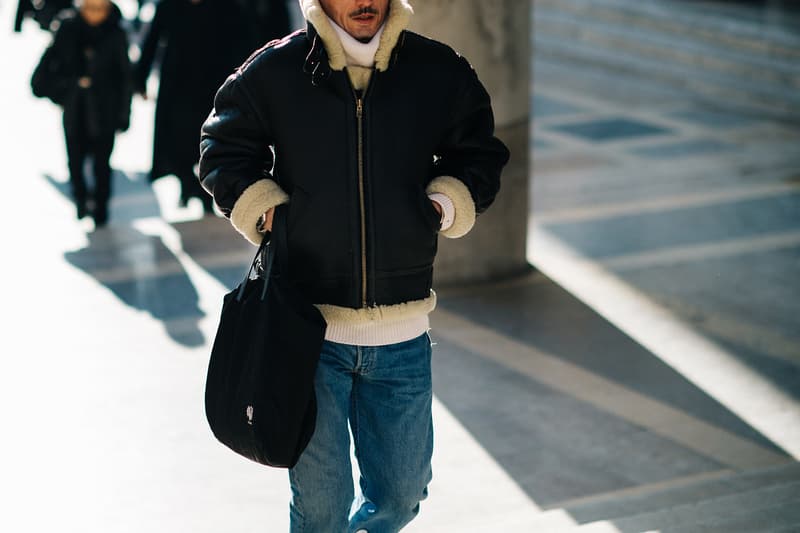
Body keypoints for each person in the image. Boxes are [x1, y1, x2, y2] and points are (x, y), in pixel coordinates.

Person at [199, 0, 509, 531]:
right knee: (320, 509)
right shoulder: (278, 70)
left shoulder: (437, 70)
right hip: (308, 335)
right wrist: (270, 213)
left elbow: (478, 153)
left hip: (402, 339)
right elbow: (220, 147)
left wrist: (442, 205)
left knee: (401, 497)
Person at [134, 0, 250, 213]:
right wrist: (140, 79)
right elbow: (152, 40)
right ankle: (190, 186)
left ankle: (204, 193)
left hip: (213, 85)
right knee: (176, 142)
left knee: (210, 141)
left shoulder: (225, 6)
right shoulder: (169, 6)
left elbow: (242, 40)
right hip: (177, 84)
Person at [31, 0, 132, 227]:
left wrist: (124, 114)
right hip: (75, 110)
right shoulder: (66, 28)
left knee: (102, 164)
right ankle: (80, 199)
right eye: (90, 7)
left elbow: (125, 77)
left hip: (105, 111)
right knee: (75, 161)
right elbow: (41, 77)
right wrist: (67, 91)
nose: (95, 13)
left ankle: (101, 208)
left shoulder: (116, 33)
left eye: (100, 8)